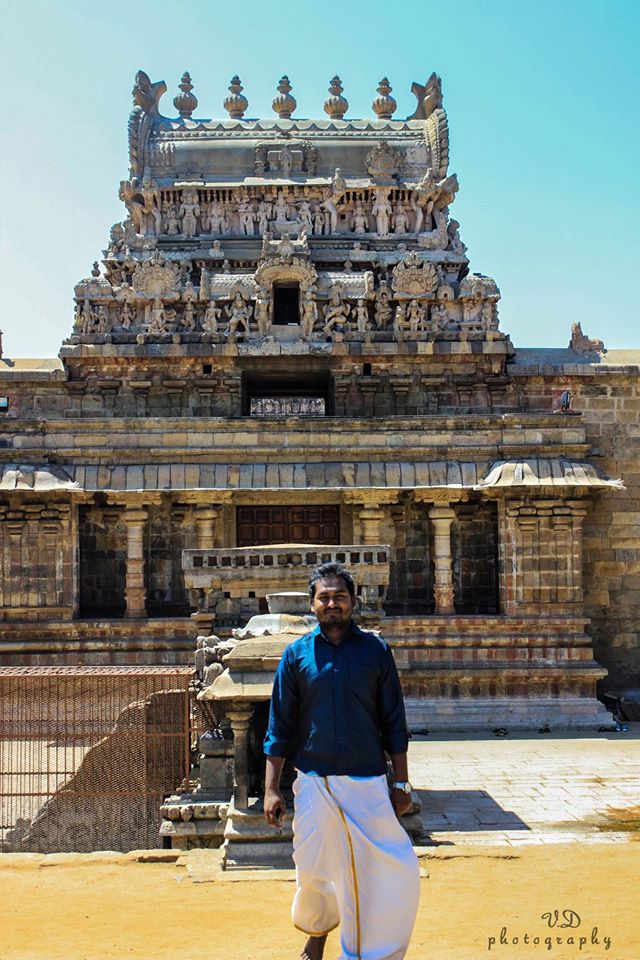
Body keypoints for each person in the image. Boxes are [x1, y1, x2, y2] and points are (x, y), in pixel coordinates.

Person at [263, 562, 420, 960]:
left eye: (340, 596)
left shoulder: (375, 652)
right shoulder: (297, 656)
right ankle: (318, 932)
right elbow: (279, 724)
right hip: (314, 780)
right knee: (312, 867)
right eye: (325, 597)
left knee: (381, 869)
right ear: (312, 604)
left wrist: (400, 783)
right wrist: (270, 788)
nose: (332, 603)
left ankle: (367, 952)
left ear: (353, 602)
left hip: (366, 781)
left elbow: (393, 721)